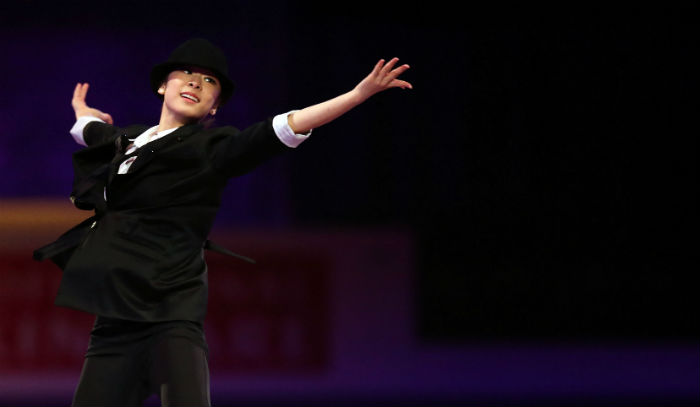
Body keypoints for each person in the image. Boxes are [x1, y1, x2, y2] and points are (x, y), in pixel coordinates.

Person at [34, 38, 412, 406]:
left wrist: (357, 95)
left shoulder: (211, 151)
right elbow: (91, 133)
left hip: (170, 320)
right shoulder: (130, 141)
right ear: (164, 85)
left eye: (210, 81)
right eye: (186, 73)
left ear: (215, 107)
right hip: (114, 322)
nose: (196, 82)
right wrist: (83, 112)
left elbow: (282, 128)